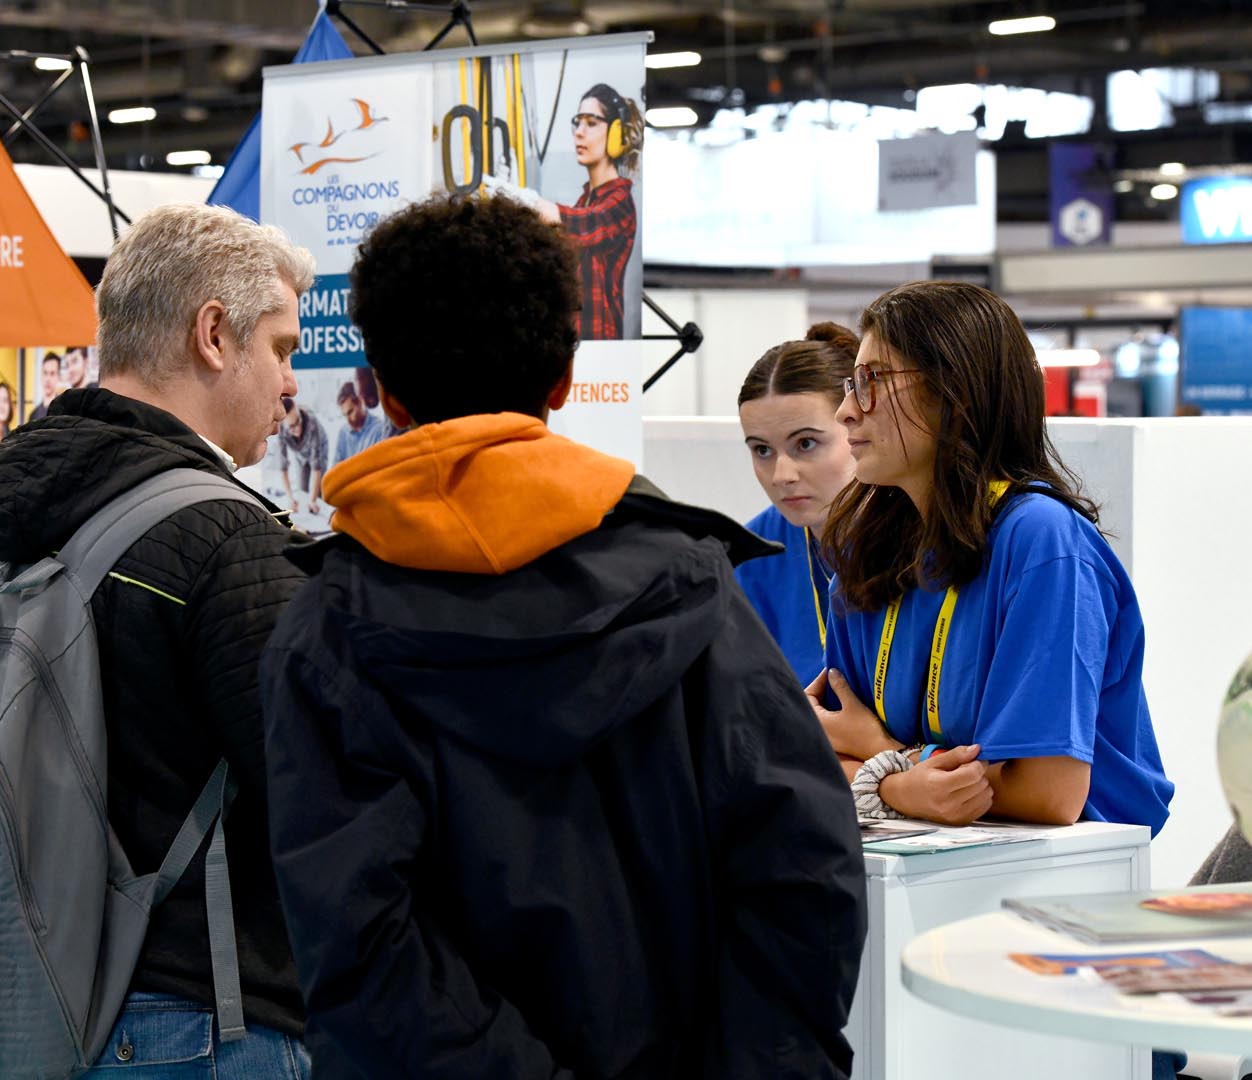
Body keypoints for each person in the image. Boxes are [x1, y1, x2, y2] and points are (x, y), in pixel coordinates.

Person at [260, 193, 865, 1079]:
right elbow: (803, 873)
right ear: (566, 380)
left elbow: (366, 954)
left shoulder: (322, 637)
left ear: (383, 393)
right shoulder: (695, 586)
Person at [0, 202, 315, 1078]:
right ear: (213, 335)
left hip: (43, 1004)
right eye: (282, 348)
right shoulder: (228, 539)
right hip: (206, 1021)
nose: (292, 384)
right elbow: (314, 785)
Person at [812, 281, 1174, 833]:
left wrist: (886, 760)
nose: (845, 412)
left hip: (1058, 872)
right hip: (909, 862)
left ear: (953, 390)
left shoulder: (1042, 540)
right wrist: (897, 781)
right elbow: (821, 754)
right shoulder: (869, 552)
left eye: (871, 381)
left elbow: (1049, 793)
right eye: (850, 385)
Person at [734, 323, 860, 685]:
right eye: (762, 450)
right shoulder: (750, 555)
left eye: (805, 444)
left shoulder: (930, 541)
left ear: (860, 427)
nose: (781, 475)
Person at [505, 84, 641, 340]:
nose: (579, 132)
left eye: (591, 123)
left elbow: (577, 224)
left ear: (616, 134)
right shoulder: (585, 200)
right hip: (576, 339)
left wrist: (519, 196)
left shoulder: (619, 202)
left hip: (599, 342)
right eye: (577, 122)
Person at [275, 398, 328, 515]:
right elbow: (283, 467)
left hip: (320, 449)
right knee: (302, 491)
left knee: (318, 494)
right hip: (301, 454)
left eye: (298, 420)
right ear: (284, 426)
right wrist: (290, 499)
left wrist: (313, 501)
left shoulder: (312, 423)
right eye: (292, 426)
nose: (298, 428)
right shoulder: (280, 430)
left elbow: (316, 467)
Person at [331, 375, 390, 466]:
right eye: (344, 415)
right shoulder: (343, 432)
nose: (348, 420)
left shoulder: (379, 430)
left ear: (360, 401)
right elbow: (335, 467)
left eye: (350, 412)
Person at [30, 351, 61, 421]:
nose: (48, 379)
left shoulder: (65, 412)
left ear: (58, 377)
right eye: (45, 373)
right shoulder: (33, 415)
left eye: (52, 373)